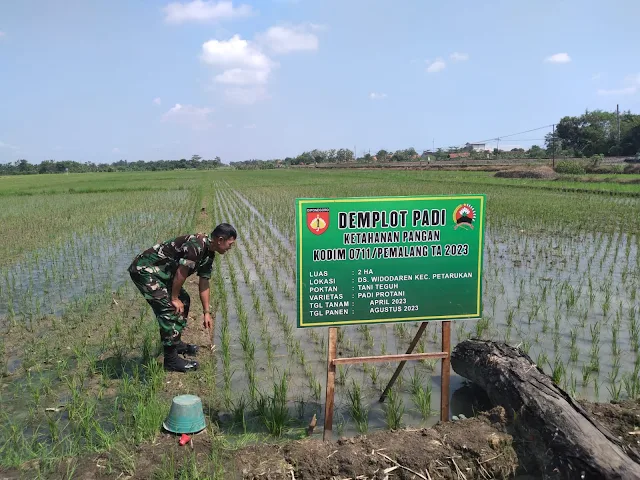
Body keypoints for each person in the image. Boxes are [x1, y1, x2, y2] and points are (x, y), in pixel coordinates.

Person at [128, 223, 237, 372]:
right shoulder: (197, 246)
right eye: (230, 243)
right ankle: (171, 360)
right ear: (220, 239)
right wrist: (173, 297)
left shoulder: (209, 253)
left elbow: (204, 282)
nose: (230, 247)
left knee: (184, 300)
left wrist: (206, 313)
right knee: (168, 308)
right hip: (145, 270)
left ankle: (176, 342)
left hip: (162, 274)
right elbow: (181, 273)